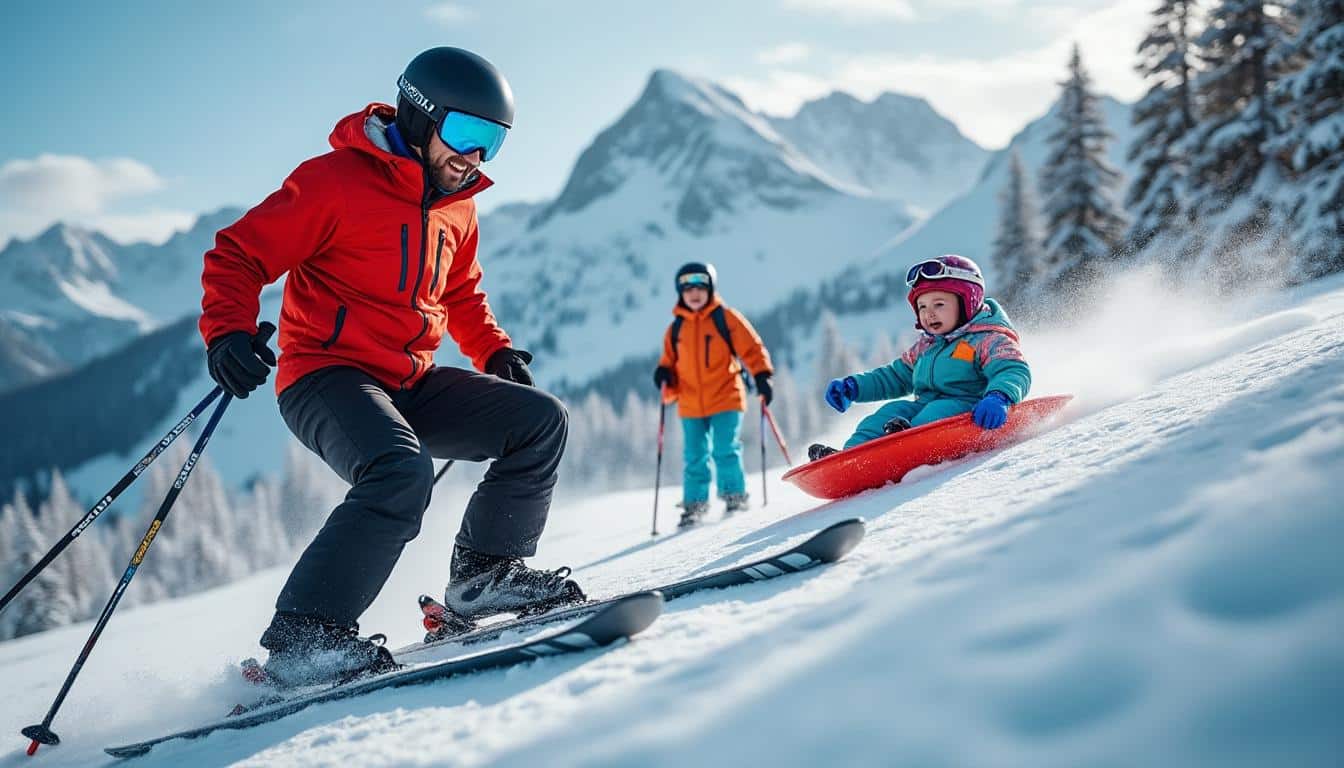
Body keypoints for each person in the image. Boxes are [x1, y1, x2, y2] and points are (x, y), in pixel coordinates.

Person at [199, 47, 582, 687]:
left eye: (493, 141)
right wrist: (228, 333)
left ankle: (485, 575)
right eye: (465, 133)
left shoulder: (459, 204)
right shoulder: (334, 183)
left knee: (541, 422)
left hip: (411, 379)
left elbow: (460, 292)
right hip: (326, 375)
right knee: (400, 471)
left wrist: (492, 349)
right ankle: (305, 637)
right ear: (419, 115)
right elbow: (237, 254)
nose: (476, 156)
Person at [809, 255, 1031, 460]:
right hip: (922, 410)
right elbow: (894, 376)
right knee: (888, 412)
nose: (928, 313)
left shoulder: (988, 339)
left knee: (936, 411)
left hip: (971, 411)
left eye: (939, 305)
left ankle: (904, 444)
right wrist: (854, 387)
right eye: (922, 306)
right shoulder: (927, 346)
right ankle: (850, 456)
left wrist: (999, 397)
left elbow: (1013, 369)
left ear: (968, 302)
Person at [653, 262, 774, 527]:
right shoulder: (675, 330)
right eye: (688, 289)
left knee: (724, 448)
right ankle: (694, 504)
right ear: (680, 293)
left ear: (710, 289)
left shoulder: (726, 318)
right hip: (690, 403)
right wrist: (663, 374)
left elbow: (752, 348)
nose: (694, 293)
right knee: (694, 455)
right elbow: (669, 363)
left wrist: (762, 375)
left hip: (726, 397)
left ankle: (734, 495)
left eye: (700, 287)